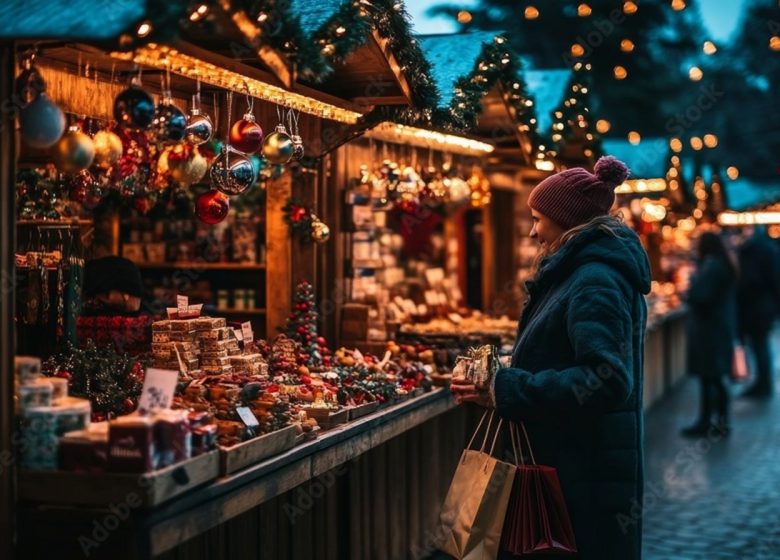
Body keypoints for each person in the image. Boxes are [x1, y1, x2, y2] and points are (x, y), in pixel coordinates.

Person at [451, 156, 649, 560]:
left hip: (580, 477)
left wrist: (505, 386)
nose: (532, 230)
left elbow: (606, 379)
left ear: (568, 221)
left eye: (539, 218)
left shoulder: (594, 279)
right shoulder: (581, 272)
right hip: (571, 468)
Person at [681, 232, 738, 437]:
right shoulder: (724, 264)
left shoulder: (713, 267)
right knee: (715, 379)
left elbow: (699, 295)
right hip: (719, 329)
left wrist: (691, 286)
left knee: (710, 378)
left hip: (710, 332)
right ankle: (719, 422)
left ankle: (710, 422)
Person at [737, 226, 780, 397]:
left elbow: (749, 282)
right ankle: (763, 382)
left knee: (759, 346)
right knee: (760, 346)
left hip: (757, 309)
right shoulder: (769, 251)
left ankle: (763, 384)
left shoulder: (754, 253)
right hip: (764, 308)